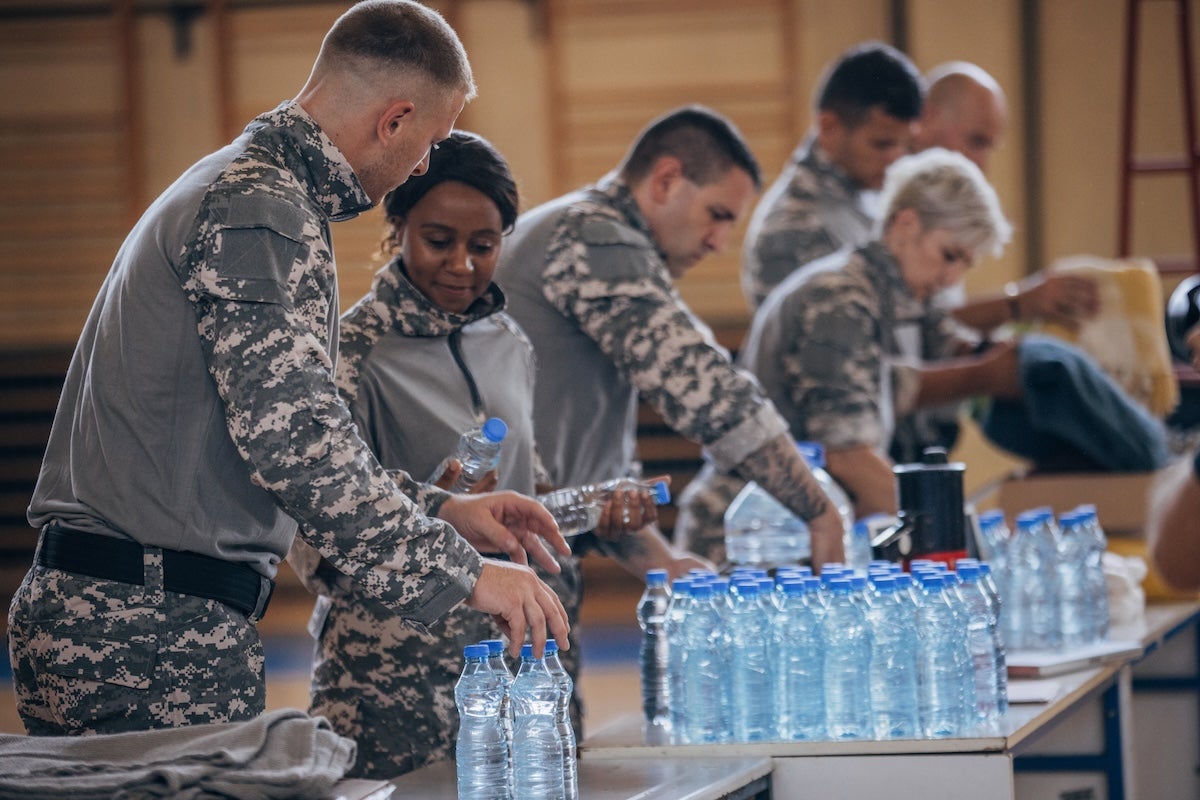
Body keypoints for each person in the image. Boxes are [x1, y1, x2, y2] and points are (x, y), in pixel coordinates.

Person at [9, 0, 569, 738]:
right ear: (394, 120)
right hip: (143, 625)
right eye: (430, 142)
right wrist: (464, 572)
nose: (425, 164)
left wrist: (443, 511)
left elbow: (274, 432)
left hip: (146, 614)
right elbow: (297, 446)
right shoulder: (261, 209)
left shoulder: (252, 188)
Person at [289, 131, 709, 778]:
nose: (461, 264)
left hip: (518, 666)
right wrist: (443, 510)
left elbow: (525, 501)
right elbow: (315, 535)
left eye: (483, 247)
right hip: (392, 681)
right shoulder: (352, 352)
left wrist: (596, 508)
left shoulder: (510, 343)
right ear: (397, 227)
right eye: (438, 241)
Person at [496, 105, 845, 575]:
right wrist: (821, 513)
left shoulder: (585, 232)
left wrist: (663, 561)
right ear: (665, 180)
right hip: (487, 563)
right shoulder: (592, 237)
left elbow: (589, 470)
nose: (719, 242)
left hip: (522, 554)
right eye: (716, 215)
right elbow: (706, 390)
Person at [678, 148, 1018, 562]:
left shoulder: (869, 296)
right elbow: (848, 457)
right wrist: (952, 541)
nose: (951, 279)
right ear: (906, 223)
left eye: (964, 265)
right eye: (949, 255)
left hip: (787, 540)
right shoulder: (840, 301)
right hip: (747, 547)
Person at [913, 60, 1099, 335]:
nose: (982, 165)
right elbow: (915, 334)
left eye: (989, 148)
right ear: (928, 117)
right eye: (976, 142)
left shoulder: (937, 202)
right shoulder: (890, 205)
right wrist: (1020, 303)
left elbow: (939, 327)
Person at [740, 41, 925, 310]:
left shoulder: (867, 192)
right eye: (882, 144)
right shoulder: (796, 224)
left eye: (905, 146)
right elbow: (829, 346)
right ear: (829, 126)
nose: (896, 160)